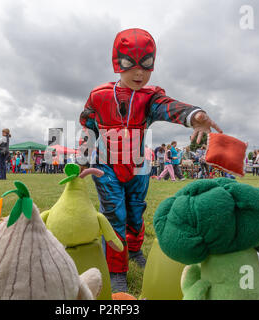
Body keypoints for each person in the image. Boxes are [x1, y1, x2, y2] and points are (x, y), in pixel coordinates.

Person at [78, 28, 222, 292]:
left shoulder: (150, 96)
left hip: (138, 164)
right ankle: (116, 268)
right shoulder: (98, 95)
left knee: (136, 211)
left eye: (146, 66)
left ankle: (133, 250)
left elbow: (168, 106)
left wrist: (194, 115)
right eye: (129, 65)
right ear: (116, 63)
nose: (138, 73)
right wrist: (83, 158)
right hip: (106, 163)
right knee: (113, 215)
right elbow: (87, 125)